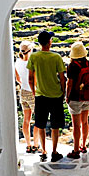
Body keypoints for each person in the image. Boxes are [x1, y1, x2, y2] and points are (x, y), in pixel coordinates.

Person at [27, 30, 67, 162]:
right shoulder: (56, 57)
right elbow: (62, 78)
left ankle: (43, 151)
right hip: (55, 96)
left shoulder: (34, 57)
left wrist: (34, 92)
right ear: (50, 42)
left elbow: (31, 79)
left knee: (41, 124)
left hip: (40, 96)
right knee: (55, 126)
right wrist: (63, 92)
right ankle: (54, 151)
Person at [66, 41, 89, 159]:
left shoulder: (72, 66)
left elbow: (70, 83)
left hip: (75, 98)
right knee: (85, 122)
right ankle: (83, 146)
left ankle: (75, 150)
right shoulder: (88, 64)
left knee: (76, 125)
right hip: (87, 96)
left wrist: (67, 97)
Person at [14, 41, 37, 153]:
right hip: (32, 92)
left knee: (26, 119)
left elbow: (18, 79)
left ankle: (28, 145)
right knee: (38, 120)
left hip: (23, 92)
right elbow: (34, 80)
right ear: (30, 50)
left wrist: (23, 84)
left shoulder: (17, 62)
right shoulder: (32, 63)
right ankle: (36, 144)